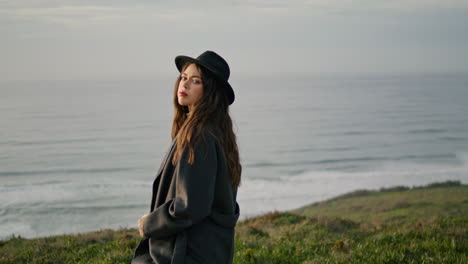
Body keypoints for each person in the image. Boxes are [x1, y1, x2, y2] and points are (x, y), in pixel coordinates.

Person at [131, 50, 242, 264]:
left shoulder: (199, 136)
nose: (185, 85)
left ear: (210, 91)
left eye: (196, 81)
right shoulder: (217, 131)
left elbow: (191, 207)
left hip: (188, 253)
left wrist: (149, 224)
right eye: (183, 78)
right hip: (209, 250)